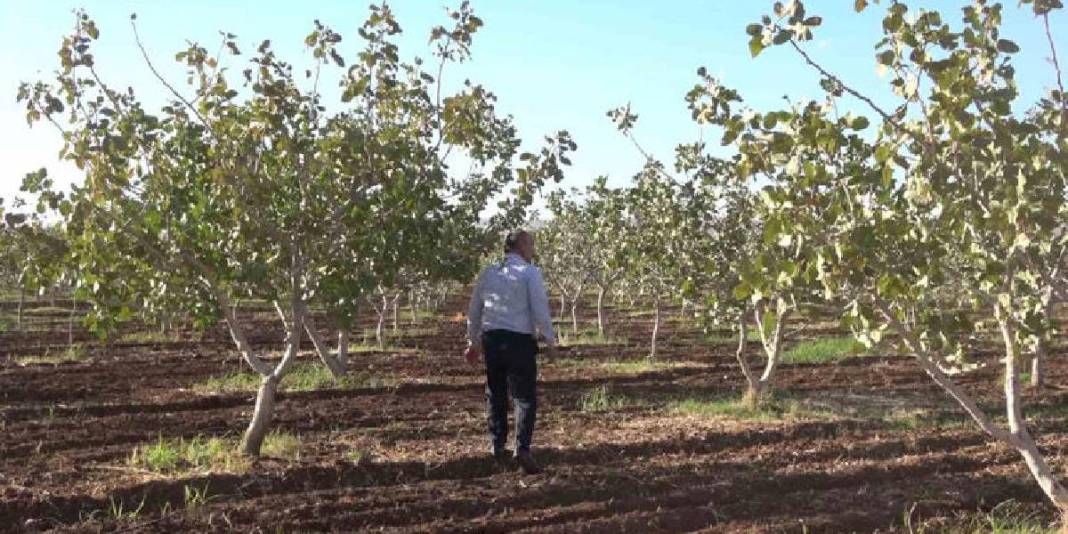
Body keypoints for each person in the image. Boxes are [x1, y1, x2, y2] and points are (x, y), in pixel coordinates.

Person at [465, 229, 557, 475]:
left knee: (495, 393)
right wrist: (550, 341)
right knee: (524, 397)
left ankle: (497, 446)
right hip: (519, 342)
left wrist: (473, 342)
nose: (533, 251)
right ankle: (522, 449)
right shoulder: (530, 273)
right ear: (523, 247)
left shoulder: (488, 272)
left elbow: (475, 309)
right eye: (532, 245)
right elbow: (540, 309)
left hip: (492, 340)